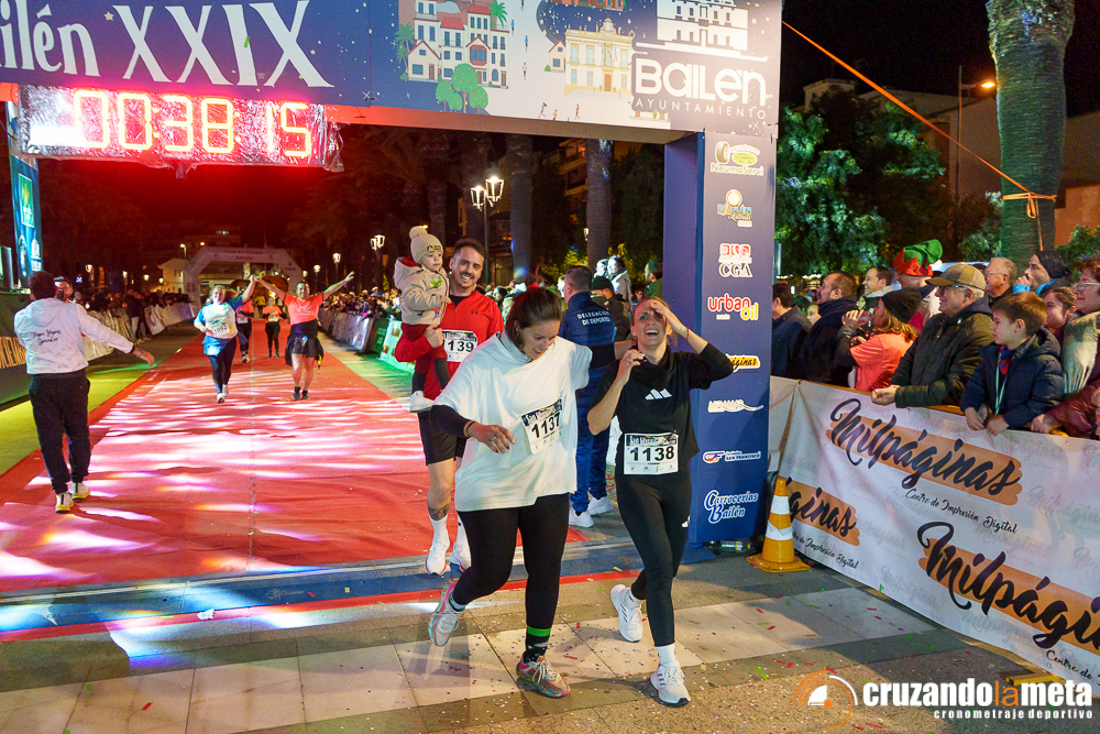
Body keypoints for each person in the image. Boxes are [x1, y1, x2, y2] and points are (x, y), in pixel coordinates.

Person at [426, 287, 626, 699]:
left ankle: (533, 660)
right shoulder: (484, 362)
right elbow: (441, 412)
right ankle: (455, 600)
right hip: (492, 484)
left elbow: (602, 354)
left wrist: (644, 342)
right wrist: (475, 429)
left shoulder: (561, 352)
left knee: (546, 569)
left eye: (552, 336)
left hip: (548, 480)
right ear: (516, 328)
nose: (546, 345)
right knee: (492, 572)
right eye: (539, 337)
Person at [588, 297, 733, 707]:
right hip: (636, 482)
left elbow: (724, 367)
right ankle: (667, 667)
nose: (651, 322)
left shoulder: (684, 365)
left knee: (667, 566)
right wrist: (620, 379)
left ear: (668, 326)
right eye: (643, 317)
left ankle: (629, 598)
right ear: (633, 329)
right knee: (659, 568)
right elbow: (595, 424)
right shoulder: (620, 369)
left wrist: (684, 328)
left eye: (659, 316)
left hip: (676, 480)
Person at [394, 240, 503, 576]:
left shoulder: (488, 308)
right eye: (464, 263)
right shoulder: (427, 301)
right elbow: (402, 352)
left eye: (476, 266)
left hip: (474, 408)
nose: (469, 271)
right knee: (443, 486)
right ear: (450, 263)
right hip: (436, 405)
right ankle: (440, 537)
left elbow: (501, 357)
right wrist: (427, 341)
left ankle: (463, 543)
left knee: (469, 483)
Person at [15, 271, 155, 513]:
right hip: (72, 380)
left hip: (42, 382)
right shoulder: (72, 311)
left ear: (31, 294)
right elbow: (101, 333)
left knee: (49, 440)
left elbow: (25, 342)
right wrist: (135, 350)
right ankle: (78, 483)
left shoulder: (21, 316)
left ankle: (61, 493)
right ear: (55, 290)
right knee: (78, 433)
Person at [872, 263, 993, 409]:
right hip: (921, 414)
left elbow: (957, 388)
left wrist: (901, 394)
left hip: (947, 419)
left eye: (944, 289)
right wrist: (896, 387)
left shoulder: (980, 331)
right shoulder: (936, 321)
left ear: (968, 294)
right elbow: (909, 359)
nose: (937, 294)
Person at [558, 266, 616, 527]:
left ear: (568, 287)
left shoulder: (567, 318)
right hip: (604, 390)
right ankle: (600, 496)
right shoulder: (606, 315)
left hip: (580, 392)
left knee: (580, 447)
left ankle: (580, 509)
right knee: (599, 443)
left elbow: (560, 359)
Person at [960, 292, 1063, 436]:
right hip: (997, 432)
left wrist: (1007, 420)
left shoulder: (1045, 363)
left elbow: (1044, 402)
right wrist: (970, 407)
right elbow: (975, 384)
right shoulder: (993, 354)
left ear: (1018, 326)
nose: (991, 327)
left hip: (1024, 436)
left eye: (997, 322)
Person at [257, 271, 354, 400]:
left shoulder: (315, 299)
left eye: (306, 288)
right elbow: (275, 289)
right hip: (296, 337)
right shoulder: (290, 300)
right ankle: (297, 386)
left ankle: (306, 389)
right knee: (297, 367)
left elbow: (330, 290)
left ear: (309, 290)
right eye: (301, 289)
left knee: (309, 367)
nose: (303, 291)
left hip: (311, 337)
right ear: (297, 291)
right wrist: (261, 281)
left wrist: (344, 281)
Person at [1031, 259, 1100, 437]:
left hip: (1090, 434)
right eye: (1078, 284)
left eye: (1085, 284)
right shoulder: (1074, 324)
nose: (1077, 290)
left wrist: (1058, 417)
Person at [395, 226, 450, 413]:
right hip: (418, 323)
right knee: (439, 354)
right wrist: (436, 300)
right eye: (430, 256)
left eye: (439, 255)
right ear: (420, 259)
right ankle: (448, 393)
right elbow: (412, 298)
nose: (436, 259)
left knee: (424, 360)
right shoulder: (416, 277)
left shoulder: (435, 273)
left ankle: (417, 395)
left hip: (423, 321)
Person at [835, 288, 920, 391]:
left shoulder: (883, 341)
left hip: (871, 396)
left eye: (879, 306)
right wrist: (866, 345)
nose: (874, 310)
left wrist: (848, 329)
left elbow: (842, 357)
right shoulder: (904, 337)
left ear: (888, 314)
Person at [194, 278, 257, 403]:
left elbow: (245, 296)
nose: (218, 296)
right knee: (217, 367)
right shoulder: (206, 309)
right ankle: (219, 393)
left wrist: (252, 282)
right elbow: (197, 321)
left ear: (224, 296)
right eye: (216, 293)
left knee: (226, 367)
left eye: (221, 294)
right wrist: (201, 327)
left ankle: (225, 384)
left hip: (229, 340)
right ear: (212, 295)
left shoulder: (230, 305)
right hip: (213, 341)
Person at [792, 271, 858, 385]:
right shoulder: (848, 315)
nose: (819, 290)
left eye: (823, 286)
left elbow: (820, 367)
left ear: (836, 293)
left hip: (824, 390)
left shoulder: (832, 321)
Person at [892, 239, 943, 329]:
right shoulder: (910, 297)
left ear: (918, 274)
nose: (896, 278)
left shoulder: (932, 306)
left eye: (900, 273)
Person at [771, 282, 810, 378]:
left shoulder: (796, 324)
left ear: (777, 302)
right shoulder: (780, 322)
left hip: (786, 383)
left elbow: (799, 364)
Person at [591, 275, 630, 340]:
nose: (594, 298)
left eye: (595, 294)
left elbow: (620, 332)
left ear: (606, 291)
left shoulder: (618, 307)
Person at [235, 290, 256, 363]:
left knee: (246, 338)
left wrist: (243, 313)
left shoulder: (249, 305)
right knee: (241, 338)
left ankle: (246, 352)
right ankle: (243, 354)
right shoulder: (236, 305)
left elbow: (252, 315)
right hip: (239, 323)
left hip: (247, 323)